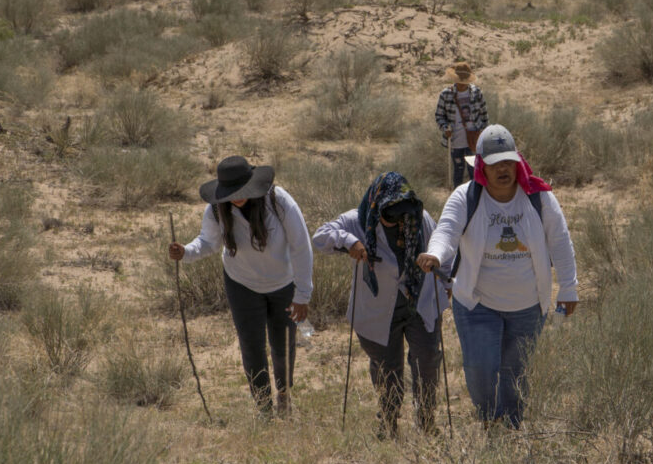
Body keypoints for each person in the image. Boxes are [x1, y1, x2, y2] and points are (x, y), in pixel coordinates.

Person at [417, 125, 578, 429]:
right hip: (478, 303)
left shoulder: (539, 198)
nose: (503, 168)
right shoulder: (466, 197)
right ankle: (490, 420)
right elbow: (447, 231)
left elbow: (560, 241)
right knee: (480, 368)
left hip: (529, 305)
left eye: (508, 161)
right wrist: (436, 254)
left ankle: (512, 427)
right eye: (495, 163)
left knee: (516, 370)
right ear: (481, 167)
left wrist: (569, 287)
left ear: (517, 162)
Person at [169, 156, 313, 417]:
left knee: (283, 345)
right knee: (251, 346)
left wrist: (302, 295)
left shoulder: (279, 201)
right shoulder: (216, 208)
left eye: (241, 192)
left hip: (283, 284)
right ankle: (264, 407)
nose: (236, 198)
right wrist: (186, 252)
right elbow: (208, 242)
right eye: (230, 193)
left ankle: (284, 397)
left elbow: (301, 247)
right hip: (242, 284)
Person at [312, 172, 452, 439]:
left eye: (404, 213)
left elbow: (442, 248)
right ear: (377, 204)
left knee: (427, 363)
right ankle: (387, 424)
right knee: (388, 372)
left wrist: (446, 282)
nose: (400, 220)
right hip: (377, 311)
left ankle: (426, 421)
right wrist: (349, 241)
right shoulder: (357, 220)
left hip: (419, 306)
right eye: (392, 214)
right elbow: (321, 237)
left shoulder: (419, 217)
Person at [434, 62, 488, 189]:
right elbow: (439, 116)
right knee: (458, 172)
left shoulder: (476, 92)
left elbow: (484, 115)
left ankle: (475, 199)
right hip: (455, 141)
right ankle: (458, 199)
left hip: (473, 140)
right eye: (460, 80)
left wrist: (483, 134)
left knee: (474, 172)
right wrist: (445, 127)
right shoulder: (446, 94)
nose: (462, 83)